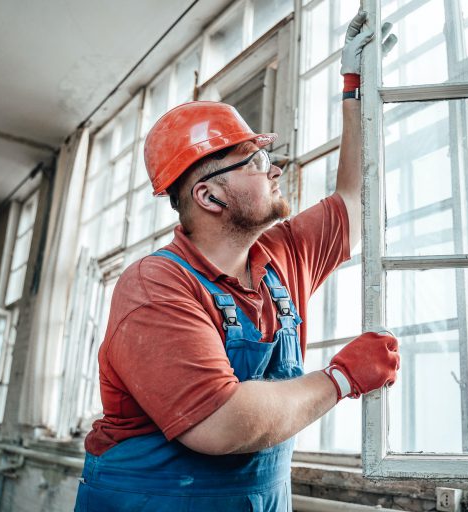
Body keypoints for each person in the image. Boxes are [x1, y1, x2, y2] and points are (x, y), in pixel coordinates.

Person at [75, 9, 399, 512]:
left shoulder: (279, 257)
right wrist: (340, 379)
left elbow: (355, 200)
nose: (275, 169)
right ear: (209, 196)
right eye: (254, 161)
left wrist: (355, 89)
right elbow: (221, 424)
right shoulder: (154, 286)